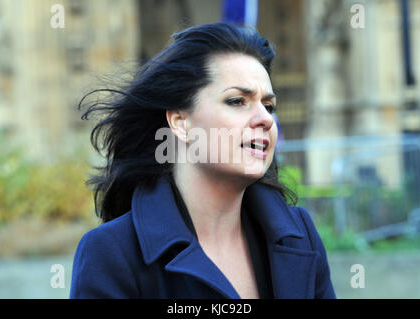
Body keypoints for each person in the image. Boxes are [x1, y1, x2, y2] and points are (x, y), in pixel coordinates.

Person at [70, 22, 336, 299]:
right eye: (237, 101)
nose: (266, 119)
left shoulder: (299, 236)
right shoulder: (113, 252)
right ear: (181, 123)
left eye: (268, 106)